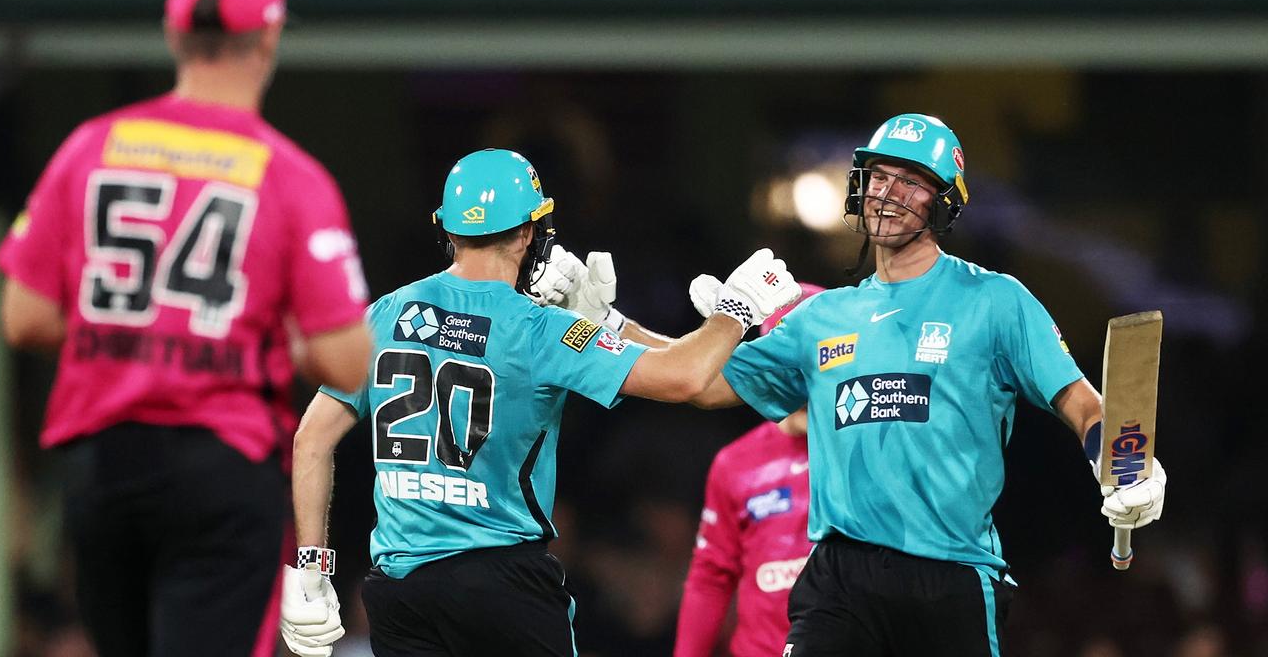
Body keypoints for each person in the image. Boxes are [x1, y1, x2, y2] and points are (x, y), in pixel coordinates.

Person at [541, 113, 1169, 657]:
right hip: (840, 578)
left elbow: (1084, 404)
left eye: (911, 181)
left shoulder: (997, 300)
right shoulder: (821, 316)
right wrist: (607, 327)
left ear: (944, 200)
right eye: (878, 176)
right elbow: (698, 376)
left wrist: (1122, 463)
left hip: (951, 573)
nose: (888, 193)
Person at [0, 0, 373, 656]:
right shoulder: (291, 176)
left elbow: (23, 315)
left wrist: (137, 329)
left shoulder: (89, 147)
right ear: (269, 36)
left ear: (172, 33)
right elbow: (346, 360)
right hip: (220, 467)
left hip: (102, 467)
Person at [278, 148, 801, 657]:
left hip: (399, 590)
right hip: (502, 585)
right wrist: (736, 310)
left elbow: (310, 441)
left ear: (449, 229)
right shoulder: (540, 328)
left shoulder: (386, 313)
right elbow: (688, 379)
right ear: (530, 230)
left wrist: (312, 568)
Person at [674, 284, 823, 657]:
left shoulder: (871, 449)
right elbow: (711, 577)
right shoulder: (735, 463)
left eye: (814, 364)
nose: (802, 382)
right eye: (789, 366)